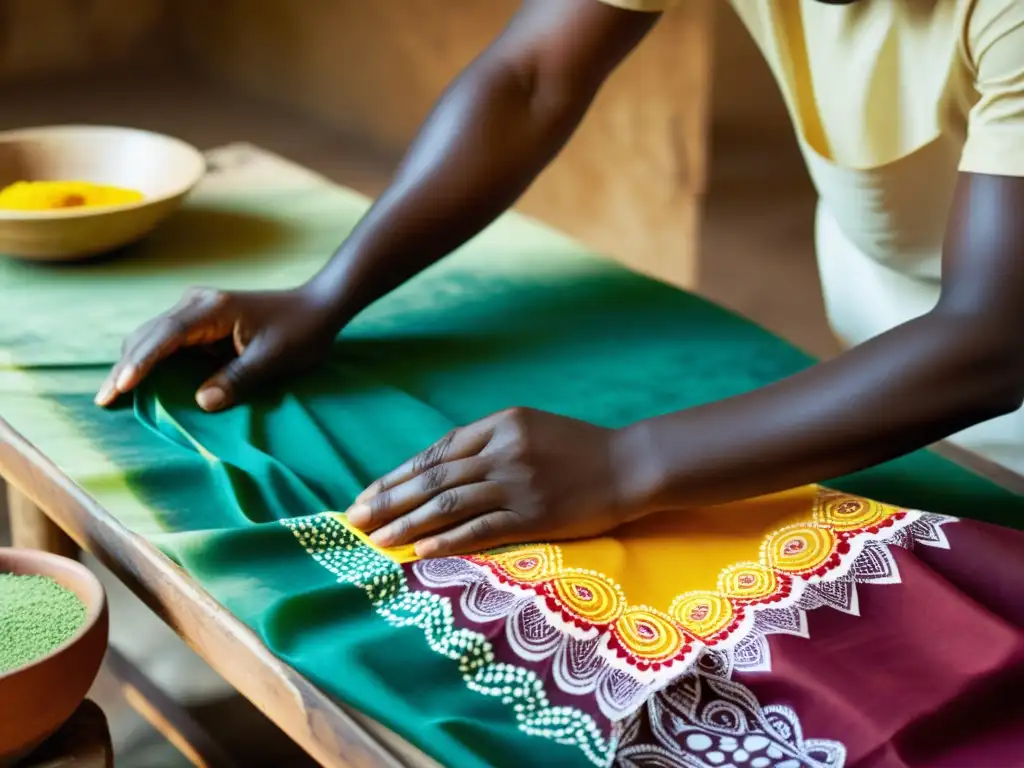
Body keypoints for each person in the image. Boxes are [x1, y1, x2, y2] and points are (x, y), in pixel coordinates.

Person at [96, 0, 1024, 560]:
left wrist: (631, 464)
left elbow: (991, 337)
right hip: (897, 286)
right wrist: (329, 292)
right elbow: (532, 72)